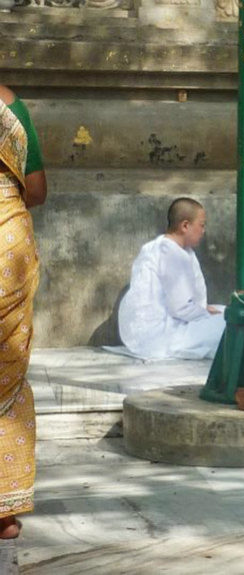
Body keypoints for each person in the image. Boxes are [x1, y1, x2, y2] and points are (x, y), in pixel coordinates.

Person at [0, 84, 47, 539]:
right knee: (6, 380)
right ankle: (3, 508)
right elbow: (36, 190)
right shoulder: (9, 106)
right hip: (5, 249)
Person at [117, 198, 225, 360]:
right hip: (159, 335)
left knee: (224, 310)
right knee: (233, 324)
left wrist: (203, 309)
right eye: (201, 225)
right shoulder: (171, 253)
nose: (203, 231)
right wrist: (205, 314)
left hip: (149, 330)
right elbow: (180, 308)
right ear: (185, 226)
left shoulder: (159, 246)